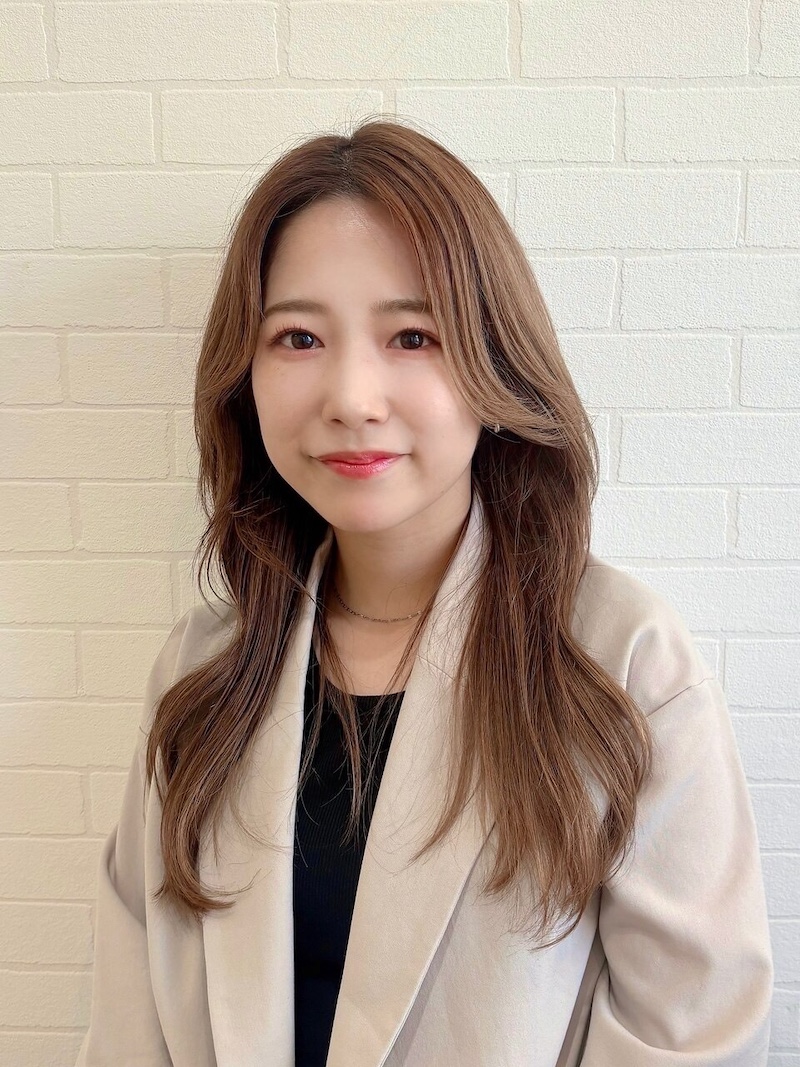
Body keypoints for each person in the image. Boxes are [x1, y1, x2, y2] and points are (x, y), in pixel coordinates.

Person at [76, 117, 773, 1067]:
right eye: (298, 336)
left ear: (493, 362)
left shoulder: (621, 664)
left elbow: (693, 1035)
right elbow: (129, 1024)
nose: (352, 397)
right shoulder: (203, 672)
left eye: (413, 335)